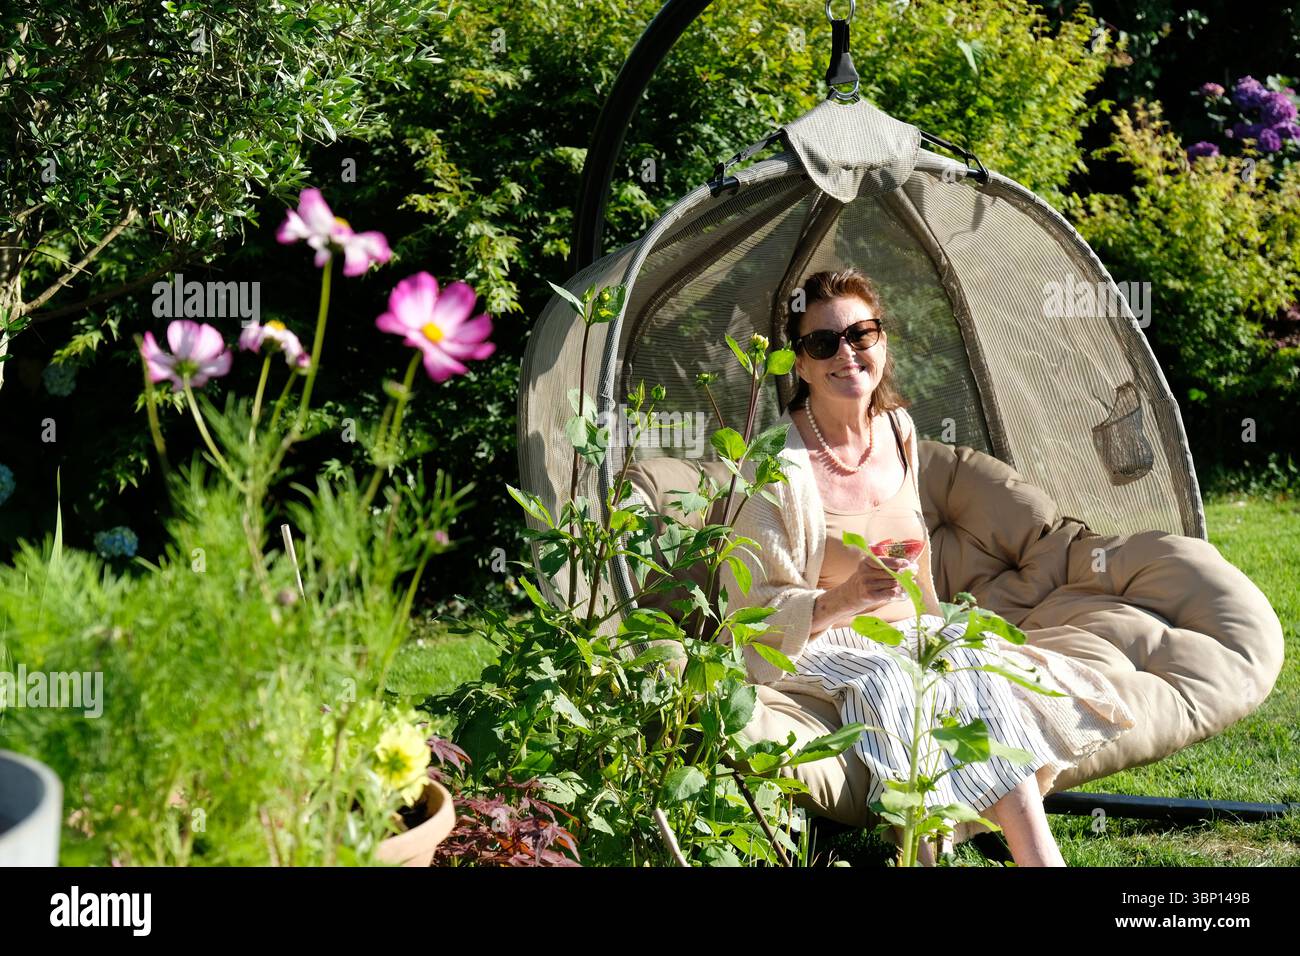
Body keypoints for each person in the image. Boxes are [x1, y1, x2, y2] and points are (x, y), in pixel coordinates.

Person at [721, 268, 1133, 867]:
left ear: (881, 342)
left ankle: (1039, 860)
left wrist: (938, 626)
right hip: (820, 639)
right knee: (898, 681)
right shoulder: (776, 469)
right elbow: (750, 611)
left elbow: (915, 556)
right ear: (800, 364)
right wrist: (842, 599)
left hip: (906, 629)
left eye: (861, 334)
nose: (847, 353)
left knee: (968, 666)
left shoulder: (898, 429)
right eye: (823, 342)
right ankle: (924, 854)